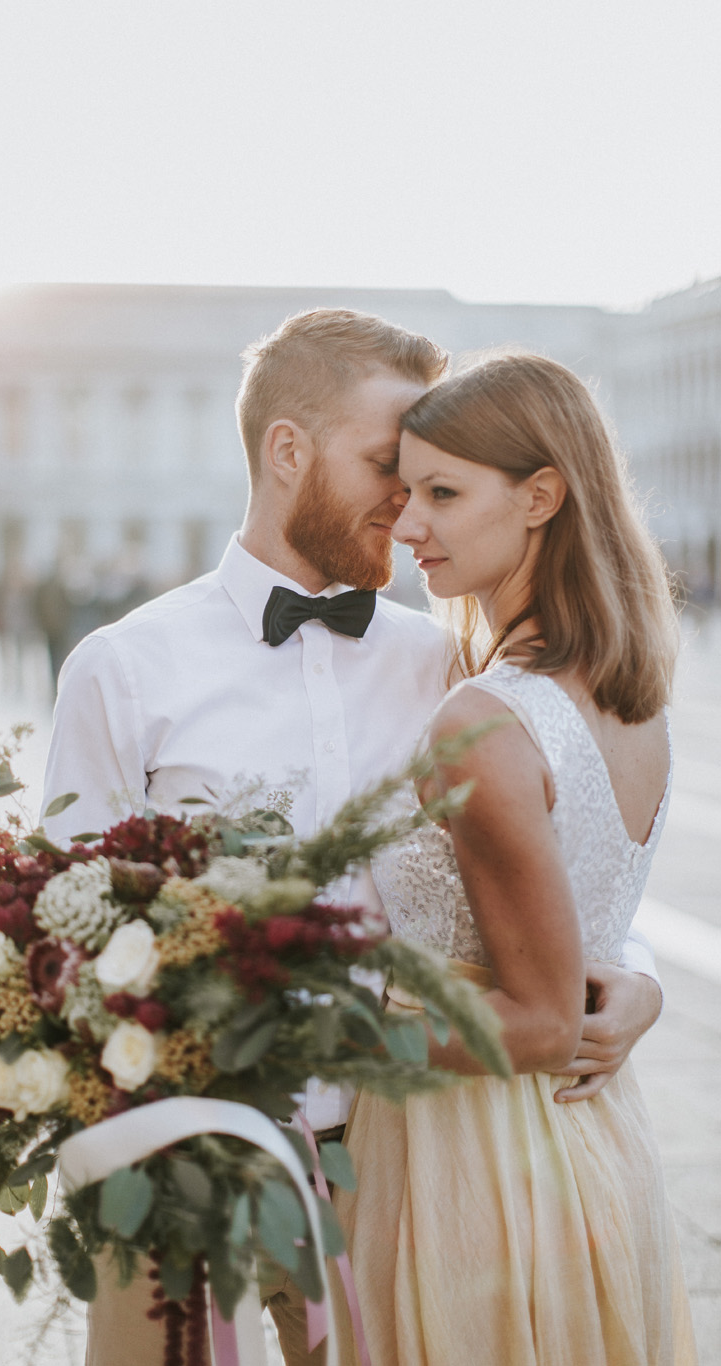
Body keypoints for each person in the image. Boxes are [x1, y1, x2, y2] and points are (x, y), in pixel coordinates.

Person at [42, 313, 664, 1366]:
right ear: (287, 451)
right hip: (201, 1167)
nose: (408, 502)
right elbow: (64, 942)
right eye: (390, 465)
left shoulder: (452, 665)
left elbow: (543, 880)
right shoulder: (123, 667)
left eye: (434, 480)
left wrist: (635, 974)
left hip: (404, 1168)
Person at [334, 353, 696, 1365]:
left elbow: (535, 1022)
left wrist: (312, 1033)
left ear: (540, 496)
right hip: (590, 1139)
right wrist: (642, 987)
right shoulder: (627, 696)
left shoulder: (483, 718)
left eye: (442, 494)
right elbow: (583, 934)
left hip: (468, 1154)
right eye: (405, 494)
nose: (407, 526)